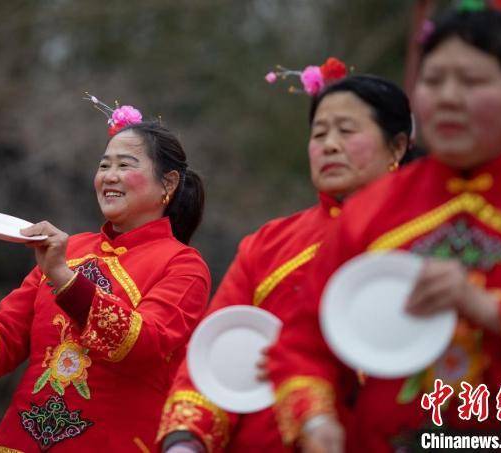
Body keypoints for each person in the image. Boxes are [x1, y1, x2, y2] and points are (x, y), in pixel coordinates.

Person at [268, 7, 501, 453]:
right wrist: (317, 422)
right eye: (434, 81)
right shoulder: (373, 210)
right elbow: (303, 343)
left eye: (473, 82)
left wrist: (492, 309)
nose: (449, 98)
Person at [0, 119, 212, 452]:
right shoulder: (70, 249)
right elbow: (4, 341)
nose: (109, 176)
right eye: (104, 165)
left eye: (125, 165)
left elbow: (144, 343)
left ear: (169, 182)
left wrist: (65, 279)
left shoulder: (183, 266)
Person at [156, 74, 414, 452]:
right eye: (319, 133)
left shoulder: (426, 240)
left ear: (397, 146)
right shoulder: (270, 243)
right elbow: (215, 356)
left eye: (346, 130)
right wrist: (186, 443)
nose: (329, 145)